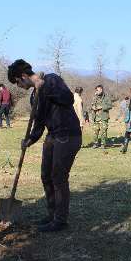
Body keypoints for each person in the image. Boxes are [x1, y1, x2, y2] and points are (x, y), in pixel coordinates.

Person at [8, 59, 81, 232]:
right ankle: (52, 214)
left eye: (17, 82)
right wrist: (30, 140)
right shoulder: (34, 95)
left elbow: (68, 98)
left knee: (58, 177)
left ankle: (60, 221)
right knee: (45, 175)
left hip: (68, 134)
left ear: (24, 76)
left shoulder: (51, 80)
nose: (18, 86)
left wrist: (45, 88)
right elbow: (39, 122)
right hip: (53, 135)